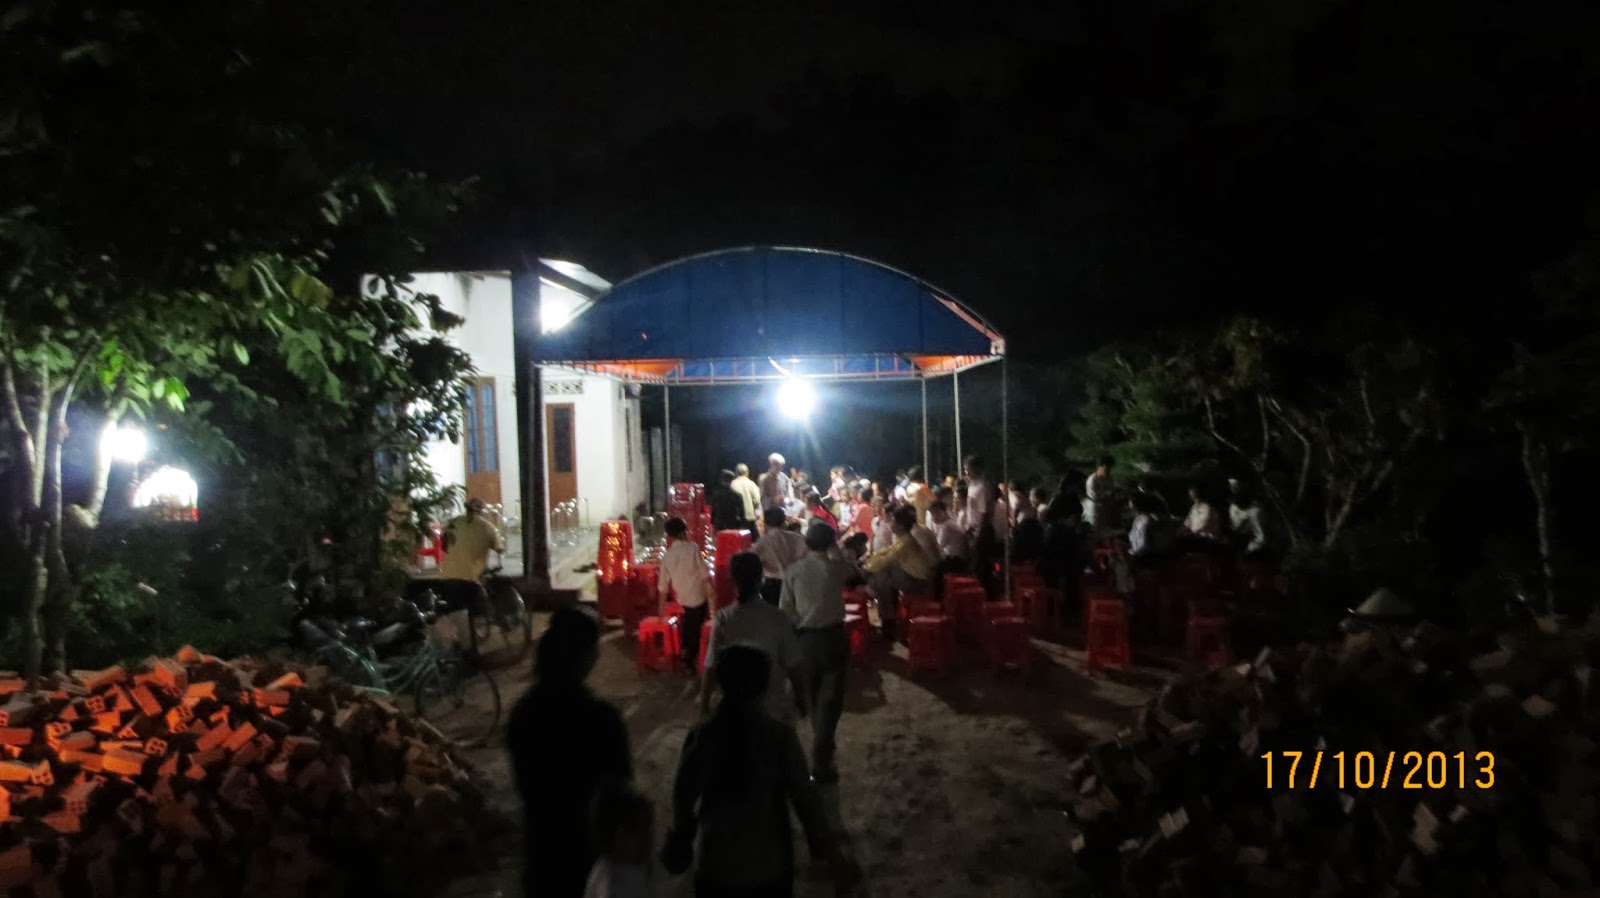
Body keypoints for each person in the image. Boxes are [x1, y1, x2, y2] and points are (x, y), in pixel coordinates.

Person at [666, 645, 850, 897]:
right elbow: (806, 801)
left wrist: (681, 837)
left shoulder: (703, 735)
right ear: (763, 686)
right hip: (767, 868)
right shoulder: (778, 737)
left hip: (716, 864)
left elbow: (683, 795)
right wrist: (834, 859)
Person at [509, 609, 633, 898]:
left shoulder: (524, 713)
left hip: (540, 853)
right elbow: (621, 792)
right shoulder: (601, 719)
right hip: (587, 857)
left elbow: (524, 785)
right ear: (587, 656)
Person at [780, 523, 857, 784]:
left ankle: (822, 745)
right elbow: (851, 571)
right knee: (831, 701)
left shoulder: (793, 571)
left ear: (806, 543)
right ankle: (822, 758)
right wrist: (835, 550)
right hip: (834, 638)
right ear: (831, 543)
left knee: (812, 697)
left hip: (806, 640)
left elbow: (786, 611)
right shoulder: (836, 568)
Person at [702, 552, 805, 725]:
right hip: (773, 711)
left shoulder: (724, 618)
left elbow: (711, 665)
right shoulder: (777, 617)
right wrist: (801, 699)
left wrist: (704, 706)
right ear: (761, 579)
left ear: (732, 580)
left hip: (735, 712)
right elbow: (793, 665)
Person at [862, 505, 934, 641]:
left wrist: (866, 569)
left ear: (900, 526)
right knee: (883, 575)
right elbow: (884, 552)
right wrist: (868, 562)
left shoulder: (905, 542)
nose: (890, 524)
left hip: (917, 582)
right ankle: (887, 619)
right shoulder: (902, 539)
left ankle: (887, 620)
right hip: (911, 578)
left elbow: (887, 559)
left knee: (883, 574)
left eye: (893, 521)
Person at [584, 782, 658, 898]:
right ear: (619, 837)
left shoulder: (632, 861)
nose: (650, 836)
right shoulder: (612, 890)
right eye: (640, 830)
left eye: (649, 827)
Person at [658, 517, 711, 670]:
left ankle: (686, 648)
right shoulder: (693, 548)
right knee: (698, 620)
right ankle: (692, 655)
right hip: (698, 597)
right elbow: (705, 575)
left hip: (681, 598)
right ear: (683, 532)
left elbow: (662, 587)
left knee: (689, 619)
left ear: (670, 536)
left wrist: (661, 609)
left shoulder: (667, 556)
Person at [437, 498, 506, 611]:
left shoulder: (453, 523)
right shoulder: (487, 527)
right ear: (482, 510)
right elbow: (500, 549)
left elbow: (444, 547)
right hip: (472, 578)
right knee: (480, 606)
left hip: (448, 576)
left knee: (453, 609)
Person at [753, 506, 808, 606]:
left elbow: (753, 561)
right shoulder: (797, 538)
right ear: (784, 521)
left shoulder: (762, 542)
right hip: (795, 582)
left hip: (772, 585)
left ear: (766, 523)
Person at [929, 500, 969, 574]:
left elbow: (939, 546)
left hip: (955, 561)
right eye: (932, 514)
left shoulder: (947, 526)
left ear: (944, 512)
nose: (934, 517)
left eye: (937, 513)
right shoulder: (949, 523)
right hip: (958, 558)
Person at [1085, 457, 1116, 531]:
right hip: (1094, 509)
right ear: (1099, 468)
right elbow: (1094, 497)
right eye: (1106, 469)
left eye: (1109, 469)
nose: (1108, 471)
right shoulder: (1092, 480)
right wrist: (1107, 493)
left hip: (1106, 509)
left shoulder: (1109, 478)